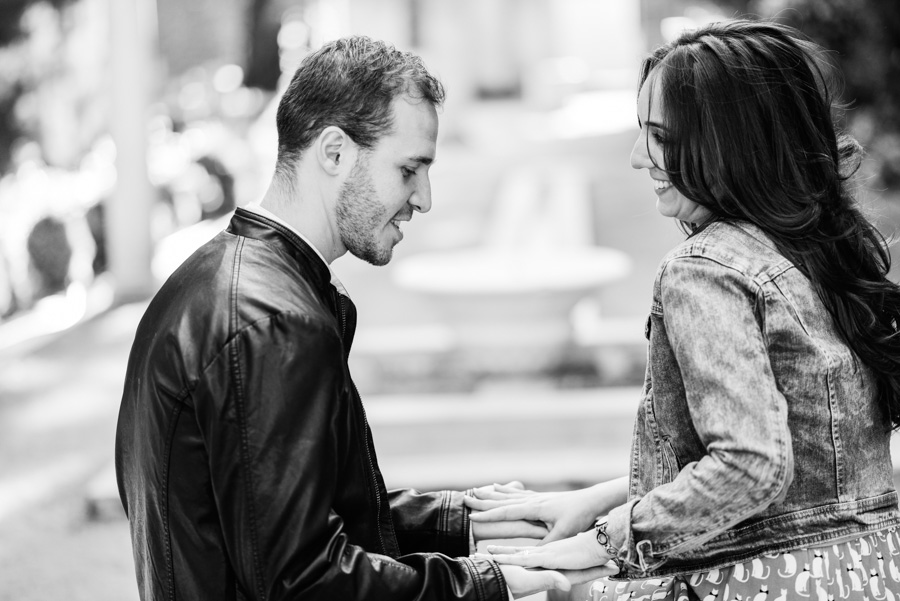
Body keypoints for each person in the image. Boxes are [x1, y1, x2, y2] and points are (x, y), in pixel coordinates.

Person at [114, 36, 613, 600]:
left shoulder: (207, 282)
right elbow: (302, 579)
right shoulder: (274, 322)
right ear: (334, 152)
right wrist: (480, 584)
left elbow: (276, 517)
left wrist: (458, 521)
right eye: (409, 169)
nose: (424, 198)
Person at [465, 19, 900, 600]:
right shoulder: (813, 256)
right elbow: (799, 472)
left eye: (659, 135)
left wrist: (605, 539)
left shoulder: (705, 269)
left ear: (727, 143)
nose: (636, 156)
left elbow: (750, 466)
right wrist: (594, 501)